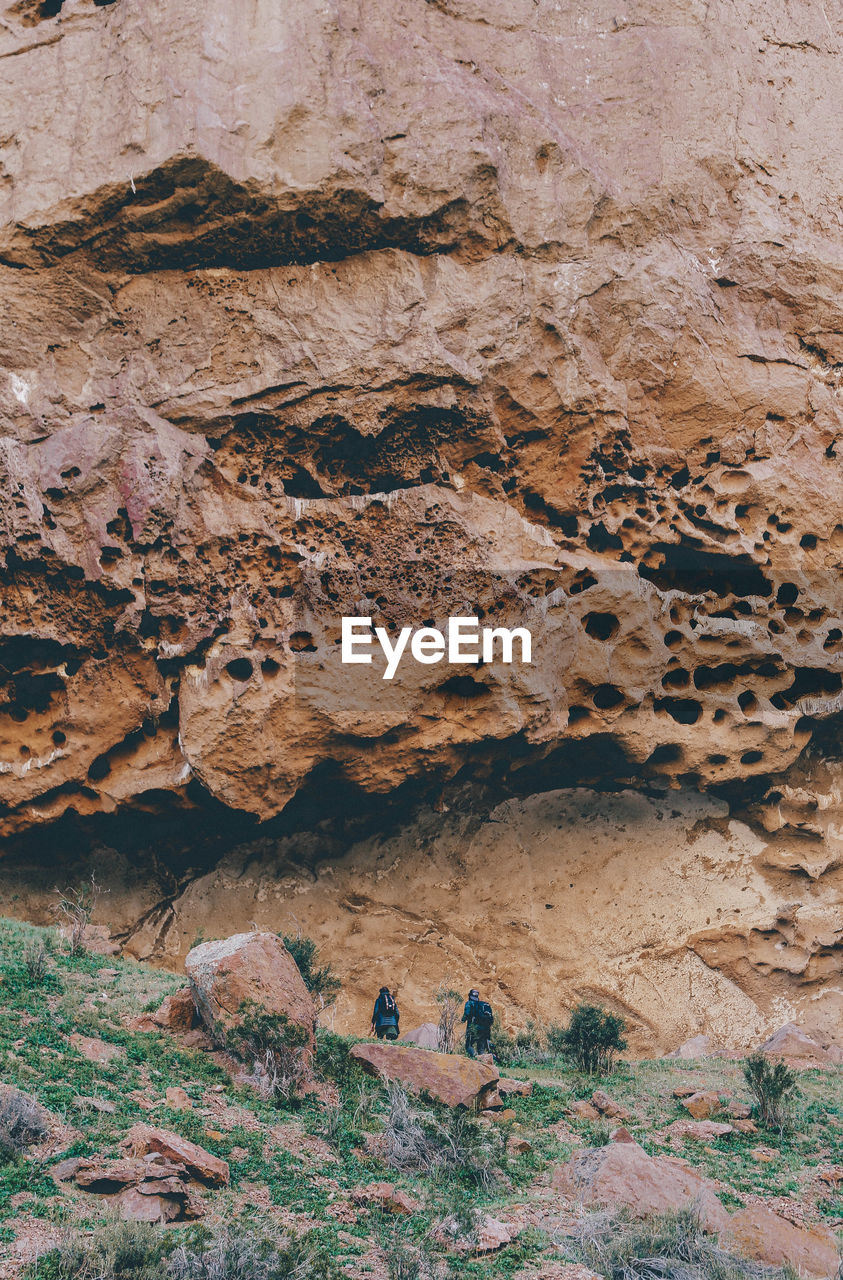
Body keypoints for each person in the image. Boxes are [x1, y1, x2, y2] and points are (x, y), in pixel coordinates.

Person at [462, 987, 494, 1057]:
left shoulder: (469, 1003)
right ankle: (481, 1061)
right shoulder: (481, 1005)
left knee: (468, 1045)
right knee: (481, 1048)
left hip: (474, 1028)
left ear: (470, 996)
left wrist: (462, 1020)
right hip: (484, 1029)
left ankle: (475, 1058)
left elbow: (466, 1014)